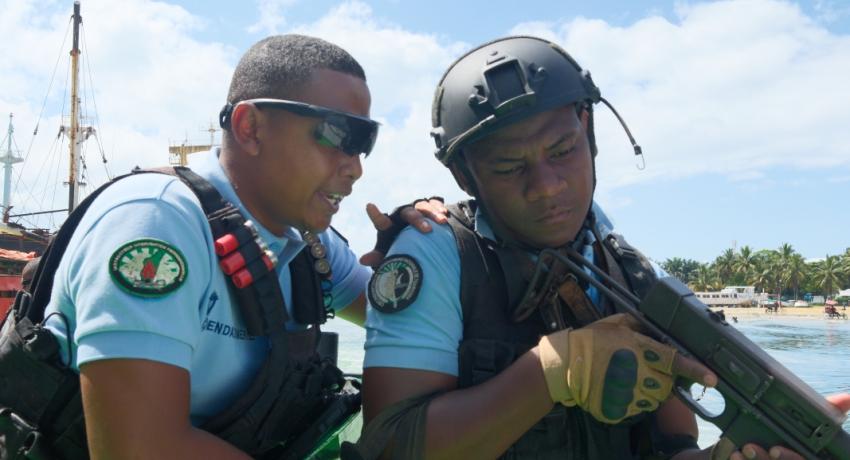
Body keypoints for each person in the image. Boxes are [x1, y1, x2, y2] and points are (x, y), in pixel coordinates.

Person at [356, 36, 850, 460]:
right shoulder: (435, 254)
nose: (547, 187)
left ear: (588, 130)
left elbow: (672, 432)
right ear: (465, 175)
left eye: (563, 151)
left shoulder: (620, 263)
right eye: (509, 168)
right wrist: (552, 372)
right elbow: (390, 445)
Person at [0, 34, 429, 460]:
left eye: (365, 143)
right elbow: (140, 450)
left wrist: (429, 248)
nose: (355, 167)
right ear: (250, 128)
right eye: (339, 135)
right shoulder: (158, 221)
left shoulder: (306, 247)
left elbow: (413, 322)